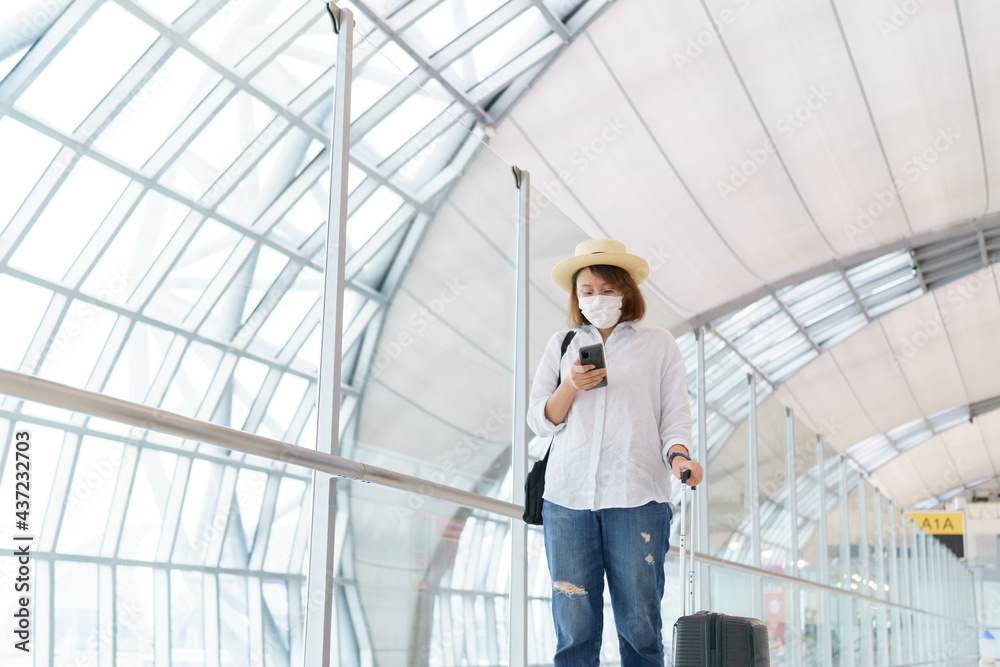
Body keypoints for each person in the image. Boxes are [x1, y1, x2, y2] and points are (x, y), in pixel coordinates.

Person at [526, 238, 704, 666]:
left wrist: (680, 457)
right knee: (574, 630)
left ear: (626, 292)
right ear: (576, 297)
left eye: (606, 289)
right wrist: (571, 384)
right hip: (567, 500)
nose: (596, 298)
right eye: (586, 290)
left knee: (641, 627)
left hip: (637, 497)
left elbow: (674, 417)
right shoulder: (562, 343)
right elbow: (538, 420)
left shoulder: (658, 343)